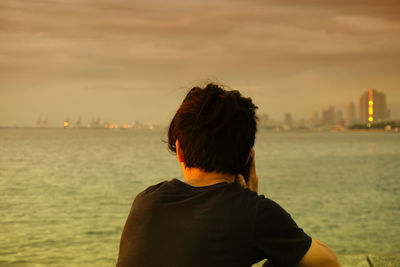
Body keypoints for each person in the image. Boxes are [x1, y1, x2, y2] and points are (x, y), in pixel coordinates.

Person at [117, 83, 340, 267]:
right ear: (247, 158)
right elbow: (329, 264)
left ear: (180, 151)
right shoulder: (252, 212)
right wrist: (250, 197)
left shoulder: (145, 201)